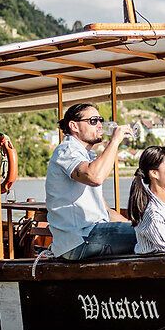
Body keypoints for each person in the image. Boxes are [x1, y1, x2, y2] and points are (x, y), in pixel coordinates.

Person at [45, 101, 133, 260]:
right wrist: (115, 141)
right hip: (80, 239)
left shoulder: (85, 156)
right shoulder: (67, 150)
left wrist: (133, 225)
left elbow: (105, 211)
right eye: (93, 121)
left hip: (91, 235)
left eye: (101, 120)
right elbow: (95, 177)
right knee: (151, 236)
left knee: (147, 232)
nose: (100, 125)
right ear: (74, 126)